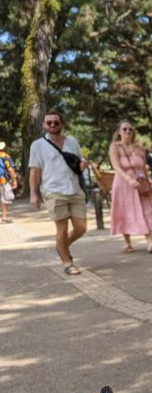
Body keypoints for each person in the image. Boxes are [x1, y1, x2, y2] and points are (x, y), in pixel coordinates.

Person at [28, 110, 89, 275]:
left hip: (75, 189)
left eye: (56, 122)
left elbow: (78, 162)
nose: (53, 125)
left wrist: (83, 165)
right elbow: (34, 171)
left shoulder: (72, 141)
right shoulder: (37, 145)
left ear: (61, 124)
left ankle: (61, 246)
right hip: (53, 191)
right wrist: (33, 194)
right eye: (49, 123)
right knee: (61, 229)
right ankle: (68, 263)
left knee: (81, 227)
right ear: (44, 125)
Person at [109, 120, 152, 253]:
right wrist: (128, 179)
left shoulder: (139, 148)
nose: (127, 131)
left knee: (145, 210)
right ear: (119, 132)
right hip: (123, 184)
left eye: (130, 129)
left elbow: (143, 167)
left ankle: (150, 242)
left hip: (139, 184)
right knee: (124, 211)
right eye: (124, 129)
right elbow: (116, 166)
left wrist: (148, 184)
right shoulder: (115, 147)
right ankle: (127, 242)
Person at [0, 141, 19, 223]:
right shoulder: (5, 156)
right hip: (2, 180)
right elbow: (10, 170)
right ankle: (4, 218)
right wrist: (14, 180)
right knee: (4, 198)